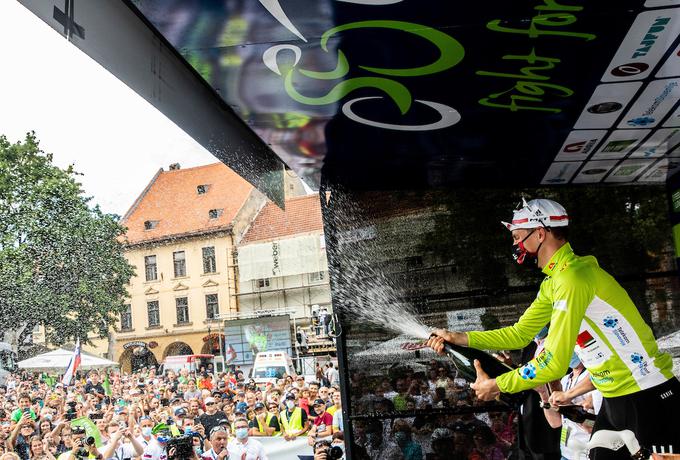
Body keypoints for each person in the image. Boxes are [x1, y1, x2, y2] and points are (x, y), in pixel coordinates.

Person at [427, 198, 680, 459]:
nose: (515, 245)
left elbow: (555, 362)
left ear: (539, 233)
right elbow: (519, 334)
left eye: (517, 237)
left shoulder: (573, 277)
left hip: (647, 395)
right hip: (616, 399)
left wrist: (499, 385)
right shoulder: (555, 282)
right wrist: (457, 337)